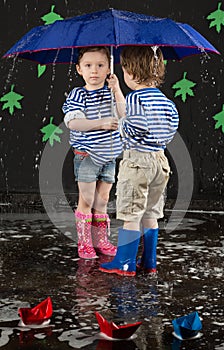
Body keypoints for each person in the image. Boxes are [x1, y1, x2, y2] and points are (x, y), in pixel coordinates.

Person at [100, 46, 179, 276]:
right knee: (151, 214)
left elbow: (132, 125)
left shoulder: (135, 98)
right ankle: (149, 261)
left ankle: (124, 262)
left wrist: (121, 126)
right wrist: (116, 89)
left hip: (137, 163)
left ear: (132, 73)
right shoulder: (165, 101)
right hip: (159, 162)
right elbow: (170, 127)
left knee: (131, 214)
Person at [62, 46, 125, 259]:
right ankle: (85, 243)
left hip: (109, 155)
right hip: (87, 155)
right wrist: (100, 123)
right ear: (79, 69)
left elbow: (123, 113)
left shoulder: (111, 92)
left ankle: (101, 241)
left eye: (100, 65)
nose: (94, 70)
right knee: (87, 199)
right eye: (88, 66)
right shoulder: (78, 94)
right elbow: (73, 122)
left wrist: (116, 90)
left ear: (109, 68)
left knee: (103, 199)